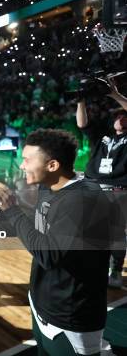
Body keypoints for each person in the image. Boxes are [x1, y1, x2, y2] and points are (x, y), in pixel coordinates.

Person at [0, 129, 116, 356]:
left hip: (70, 317)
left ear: (53, 166)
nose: (21, 166)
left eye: (27, 160)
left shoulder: (83, 199)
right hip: (43, 304)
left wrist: (11, 210)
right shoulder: (49, 185)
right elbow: (39, 229)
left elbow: (48, 253)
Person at [76, 82, 127, 289]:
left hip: (118, 190)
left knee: (115, 234)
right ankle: (97, 265)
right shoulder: (103, 136)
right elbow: (82, 124)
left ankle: (115, 268)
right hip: (94, 187)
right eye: (117, 116)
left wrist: (115, 95)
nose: (120, 119)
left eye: (124, 116)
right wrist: (80, 100)